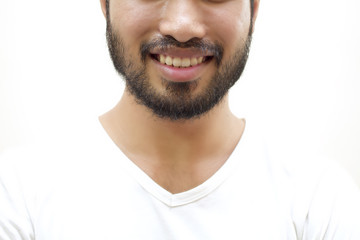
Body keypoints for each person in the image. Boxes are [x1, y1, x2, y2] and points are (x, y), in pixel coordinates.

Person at [1, 0, 360, 239]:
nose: (182, 26)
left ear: (254, 8)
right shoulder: (19, 198)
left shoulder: (321, 203)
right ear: (104, 3)